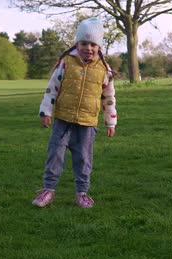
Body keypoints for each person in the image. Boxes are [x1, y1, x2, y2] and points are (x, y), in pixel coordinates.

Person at [32, 17, 117, 209]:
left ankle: (82, 192)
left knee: (84, 159)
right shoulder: (66, 63)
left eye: (93, 44)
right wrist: (46, 111)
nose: (88, 48)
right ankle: (48, 190)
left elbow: (109, 97)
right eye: (84, 43)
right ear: (77, 43)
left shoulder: (104, 69)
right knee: (55, 155)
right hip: (63, 120)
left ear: (99, 47)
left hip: (88, 123)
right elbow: (52, 88)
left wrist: (110, 122)